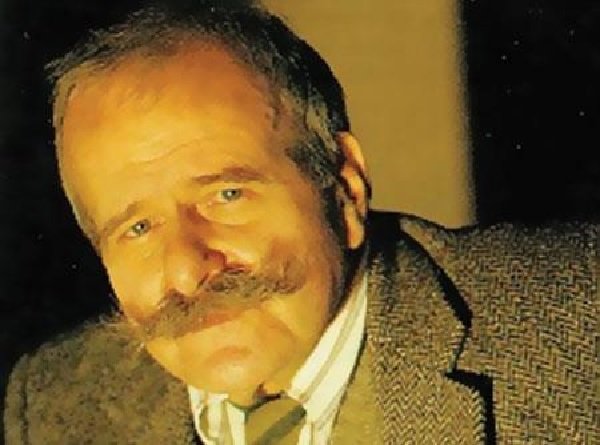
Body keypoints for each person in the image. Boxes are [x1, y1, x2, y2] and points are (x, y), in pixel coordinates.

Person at [4, 1, 598, 444]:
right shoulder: (56, 406)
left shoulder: (574, 322)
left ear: (344, 188)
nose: (186, 271)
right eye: (137, 229)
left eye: (226, 195)